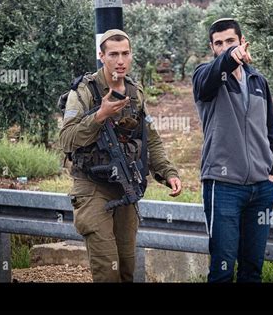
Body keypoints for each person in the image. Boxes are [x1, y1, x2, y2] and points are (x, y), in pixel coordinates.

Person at [59, 29, 182, 282]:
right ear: (101, 56)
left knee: (126, 268)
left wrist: (167, 172)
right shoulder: (83, 92)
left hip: (125, 187)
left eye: (125, 53)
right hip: (92, 188)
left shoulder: (134, 92)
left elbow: (150, 138)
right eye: (113, 54)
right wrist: (99, 115)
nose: (120, 60)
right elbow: (66, 140)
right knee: (108, 272)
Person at [192, 18, 273, 282]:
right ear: (212, 48)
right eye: (218, 43)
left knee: (252, 270)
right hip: (223, 187)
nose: (224, 47)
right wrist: (231, 57)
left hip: (261, 188)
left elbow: (271, 128)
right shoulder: (205, 77)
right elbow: (213, 73)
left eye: (230, 41)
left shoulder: (258, 80)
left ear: (242, 41)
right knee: (222, 270)